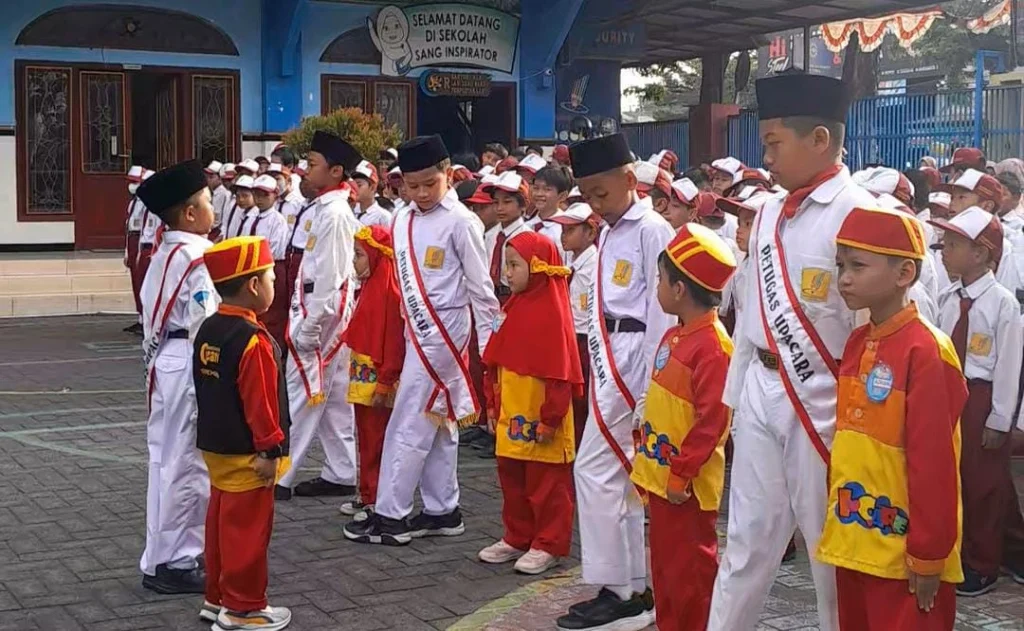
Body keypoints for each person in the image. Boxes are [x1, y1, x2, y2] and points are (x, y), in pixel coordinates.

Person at [709, 73, 878, 631]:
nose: (768, 157)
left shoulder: (863, 214)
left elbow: (879, 326)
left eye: (775, 143)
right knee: (746, 541)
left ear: (820, 141)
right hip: (760, 388)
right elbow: (754, 311)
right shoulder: (768, 213)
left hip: (825, 399)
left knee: (831, 550)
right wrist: (737, 397)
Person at [813, 207, 966, 631]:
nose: (844, 277)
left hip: (904, 552)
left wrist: (929, 551)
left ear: (904, 274)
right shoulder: (860, 340)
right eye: (841, 265)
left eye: (858, 266)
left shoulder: (927, 351)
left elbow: (933, 461)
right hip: (856, 535)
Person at [343, 135, 501, 545]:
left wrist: (489, 348)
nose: (421, 193)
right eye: (411, 186)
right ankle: (442, 509)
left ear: (448, 175)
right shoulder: (402, 219)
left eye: (429, 183)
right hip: (415, 328)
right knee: (438, 421)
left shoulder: (462, 221)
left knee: (408, 420)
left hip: (445, 333)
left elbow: (481, 290)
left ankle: (390, 514)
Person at [555, 133, 675, 631]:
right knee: (615, 476)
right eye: (587, 194)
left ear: (630, 180)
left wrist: (651, 385)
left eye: (602, 192)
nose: (595, 204)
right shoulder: (607, 231)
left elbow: (662, 313)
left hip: (633, 358)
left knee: (597, 470)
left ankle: (622, 588)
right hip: (609, 351)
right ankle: (627, 586)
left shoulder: (653, 230)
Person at [631, 223, 736, 631]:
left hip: (686, 489)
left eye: (660, 280)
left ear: (679, 290)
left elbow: (712, 423)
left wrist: (681, 472)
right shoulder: (676, 336)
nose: (656, 287)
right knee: (665, 569)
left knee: (690, 572)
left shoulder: (713, 346)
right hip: (663, 479)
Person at [194, 236, 293, 631]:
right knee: (247, 533)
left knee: (220, 523)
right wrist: (270, 449)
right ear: (253, 286)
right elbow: (261, 404)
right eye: (270, 276)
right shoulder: (253, 339)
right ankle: (244, 608)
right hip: (248, 454)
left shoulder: (209, 328)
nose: (274, 283)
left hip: (217, 447)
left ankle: (216, 598)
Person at [927, 206, 1024, 596]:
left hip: (982, 400)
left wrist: (1000, 420)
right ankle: (975, 548)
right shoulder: (949, 297)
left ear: (981, 253)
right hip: (951, 394)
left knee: (984, 483)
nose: (943, 252)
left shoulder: (1002, 304)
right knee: (955, 476)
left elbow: (1010, 367)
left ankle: (983, 562)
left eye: (953, 244)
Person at [478, 231, 583, 575]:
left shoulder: (553, 313)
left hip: (540, 419)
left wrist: (550, 419)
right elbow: (493, 363)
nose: (507, 273)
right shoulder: (510, 308)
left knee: (547, 485)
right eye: (506, 265)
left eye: (514, 265)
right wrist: (492, 406)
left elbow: (560, 374)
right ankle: (517, 536)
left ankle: (548, 542)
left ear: (538, 267)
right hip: (511, 414)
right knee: (513, 481)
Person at [137, 159, 219, 594]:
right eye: (207, 202)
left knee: (163, 461)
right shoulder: (200, 256)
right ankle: (177, 560)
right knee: (187, 466)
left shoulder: (163, 252)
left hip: (163, 362)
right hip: (188, 359)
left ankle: (158, 555)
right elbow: (206, 321)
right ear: (189, 213)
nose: (213, 209)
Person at [276, 131, 362, 501]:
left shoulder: (337, 213)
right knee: (335, 399)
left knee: (304, 392)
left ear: (336, 170)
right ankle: (342, 471)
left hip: (322, 316)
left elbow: (332, 278)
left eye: (312, 165)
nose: (304, 172)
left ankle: (280, 475)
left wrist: (311, 327)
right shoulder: (323, 208)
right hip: (315, 310)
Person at [338, 225, 405, 521]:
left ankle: (376, 496)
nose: (355, 261)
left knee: (378, 440)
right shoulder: (368, 288)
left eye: (360, 255)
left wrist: (384, 383)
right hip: (363, 378)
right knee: (365, 437)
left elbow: (392, 344)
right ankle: (366, 491)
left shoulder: (388, 293)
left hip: (378, 381)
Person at [553, 203, 601, 448]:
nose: (564, 236)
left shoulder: (594, 265)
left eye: (570, 230)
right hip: (568, 337)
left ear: (591, 233)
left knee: (581, 401)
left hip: (584, 339)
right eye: (562, 230)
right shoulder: (570, 262)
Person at [241, 175, 290, 348]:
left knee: (272, 313)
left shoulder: (278, 220)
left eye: (264, 195)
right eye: (256, 194)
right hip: (250, 269)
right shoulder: (250, 218)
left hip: (269, 268)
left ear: (275, 195)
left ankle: (272, 347)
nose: (260, 199)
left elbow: (274, 250)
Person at [488, 172, 534, 307]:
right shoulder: (491, 235)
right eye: (496, 202)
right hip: (492, 299)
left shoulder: (528, 237)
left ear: (523, 205)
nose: (500, 208)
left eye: (507, 202)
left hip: (517, 299)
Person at [529, 165, 574, 258]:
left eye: (547, 189)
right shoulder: (527, 225)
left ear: (562, 196)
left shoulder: (565, 229)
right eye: (536, 188)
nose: (539, 194)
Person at [124, 165, 148, 335]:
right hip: (133, 239)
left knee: (144, 282)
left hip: (142, 241)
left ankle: (146, 319)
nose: (132, 185)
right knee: (136, 281)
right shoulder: (133, 203)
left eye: (135, 182)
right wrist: (127, 251)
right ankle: (140, 316)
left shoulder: (148, 204)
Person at [351, 160, 393, 227]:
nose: (355, 188)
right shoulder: (350, 212)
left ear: (372, 187)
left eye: (359, 185)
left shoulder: (383, 217)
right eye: (353, 185)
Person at [222, 176, 256, 241]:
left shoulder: (257, 216)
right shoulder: (236, 209)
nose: (241, 199)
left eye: (245, 196)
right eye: (238, 196)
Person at [205, 161, 229, 242]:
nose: (208, 180)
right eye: (207, 177)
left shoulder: (221, 192)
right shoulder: (213, 191)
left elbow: (216, 218)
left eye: (211, 177)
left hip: (216, 230)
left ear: (219, 178)